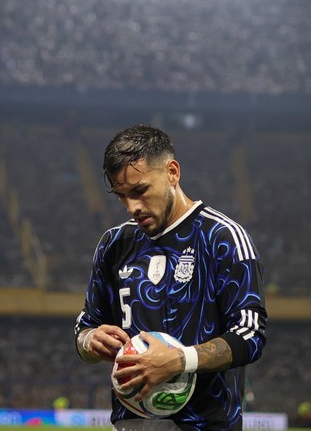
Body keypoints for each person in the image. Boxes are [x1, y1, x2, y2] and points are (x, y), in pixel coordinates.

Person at [74, 125, 269, 430]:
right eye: (122, 196)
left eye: (140, 190)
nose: (132, 207)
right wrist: (90, 341)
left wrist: (179, 360)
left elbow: (250, 335)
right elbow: (85, 327)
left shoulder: (222, 238)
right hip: (131, 424)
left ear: (172, 172)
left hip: (206, 424)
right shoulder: (114, 245)